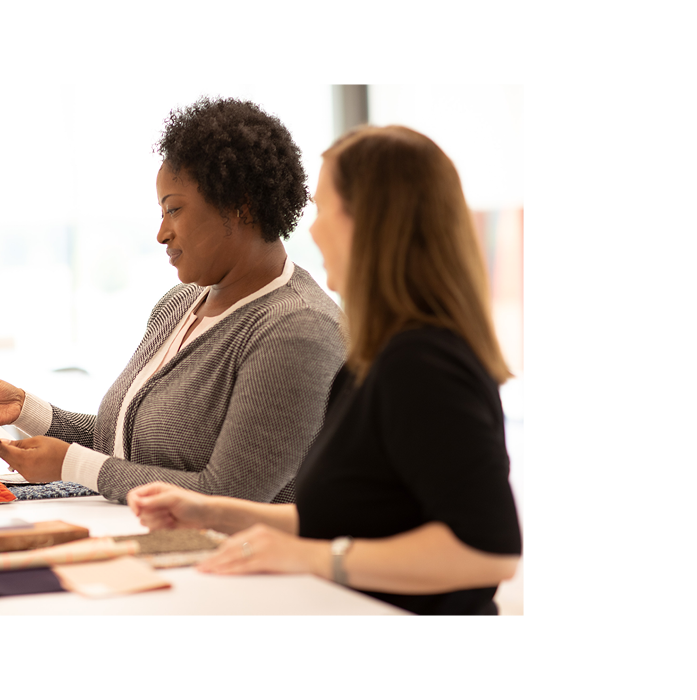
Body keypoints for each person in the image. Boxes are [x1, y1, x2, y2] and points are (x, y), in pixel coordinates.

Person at [128, 125, 522, 621]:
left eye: (322, 208)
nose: (311, 231)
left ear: (369, 220)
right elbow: (351, 520)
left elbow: (487, 552)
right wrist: (211, 512)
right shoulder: (376, 359)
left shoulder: (423, 364)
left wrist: (311, 558)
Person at [0, 97, 345, 504]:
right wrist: (26, 411)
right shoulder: (180, 304)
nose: (162, 234)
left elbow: (230, 494)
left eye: (174, 209)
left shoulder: (297, 329)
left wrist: (72, 465)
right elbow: (128, 444)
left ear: (240, 207)